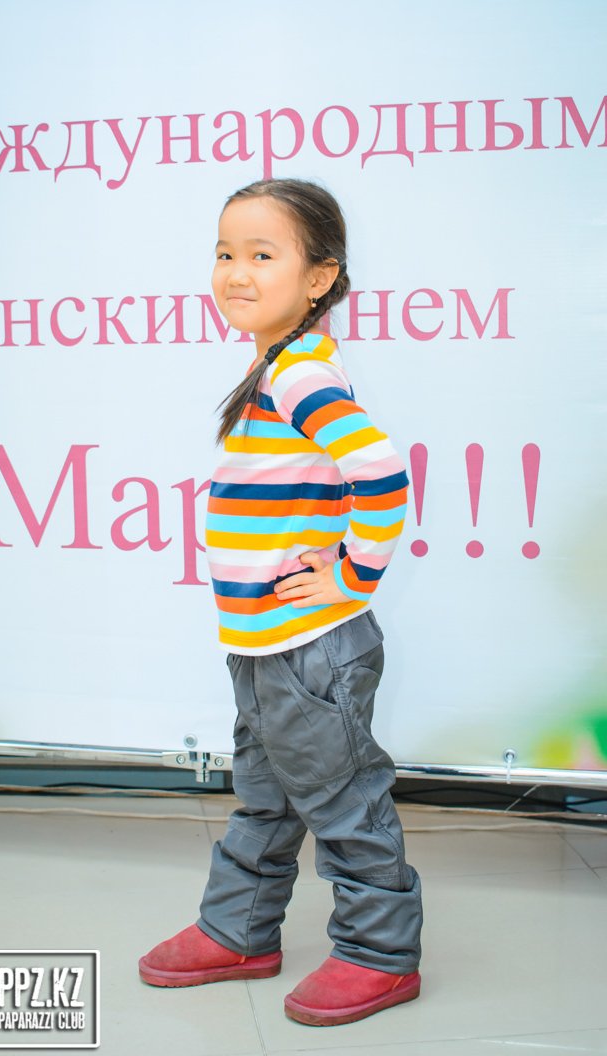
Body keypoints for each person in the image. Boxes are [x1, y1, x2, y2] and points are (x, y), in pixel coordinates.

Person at [139, 177, 423, 1027]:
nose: (236, 271)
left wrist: (354, 576)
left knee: (342, 799)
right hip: (267, 643)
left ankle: (380, 953)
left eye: (263, 255)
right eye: (225, 252)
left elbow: (382, 474)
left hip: (311, 648)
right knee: (265, 795)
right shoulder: (274, 367)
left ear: (319, 276)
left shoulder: (301, 373)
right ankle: (239, 931)